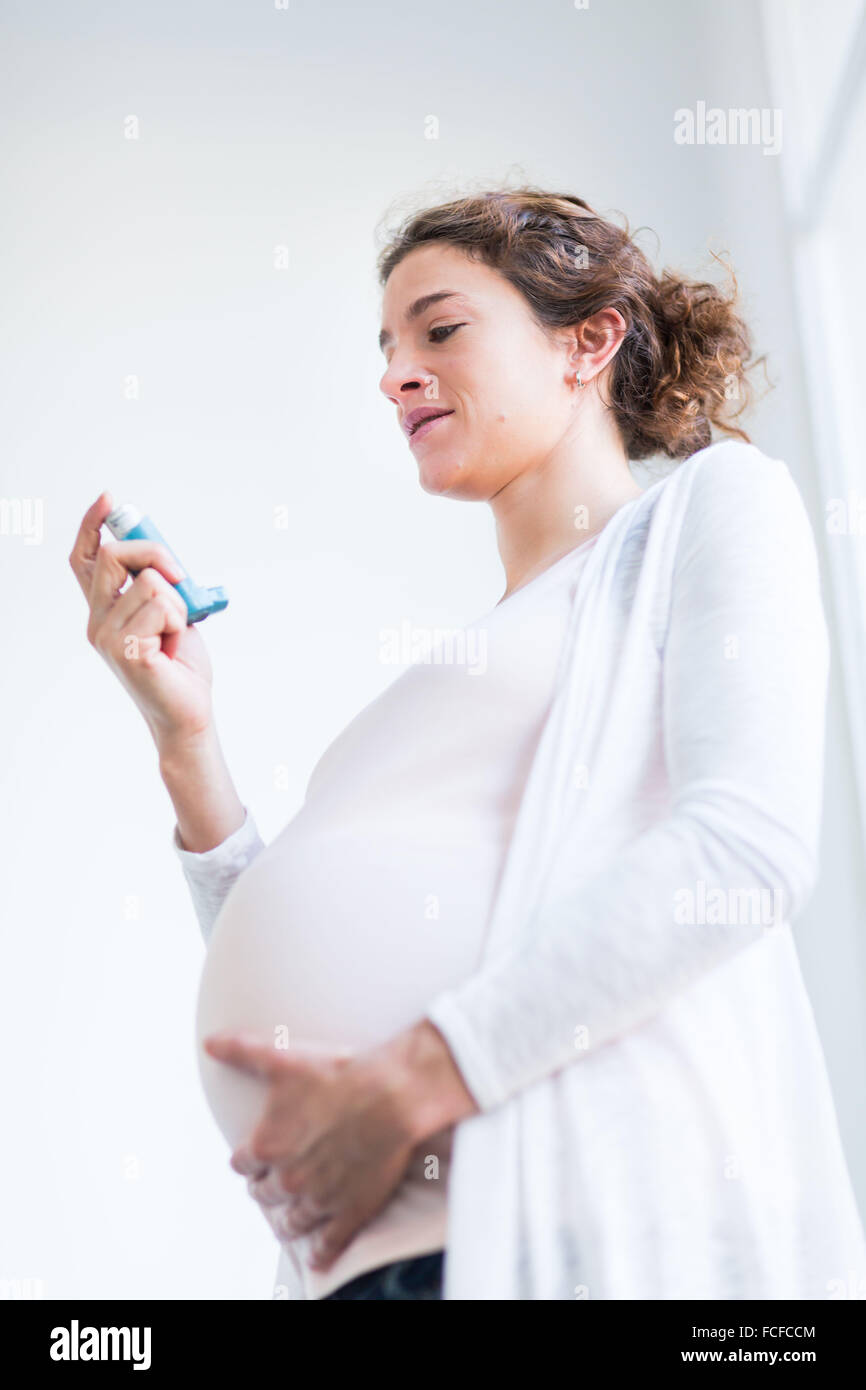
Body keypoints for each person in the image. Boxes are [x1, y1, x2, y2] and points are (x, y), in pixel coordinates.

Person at [69, 187, 866, 1300]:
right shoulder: (429, 694)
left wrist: (414, 1081)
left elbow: (743, 853)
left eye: (438, 330)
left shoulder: (704, 512)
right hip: (380, 1262)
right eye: (386, 349)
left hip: (574, 1238)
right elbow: (294, 964)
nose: (396, 373)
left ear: (589, 340)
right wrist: (183, 738)